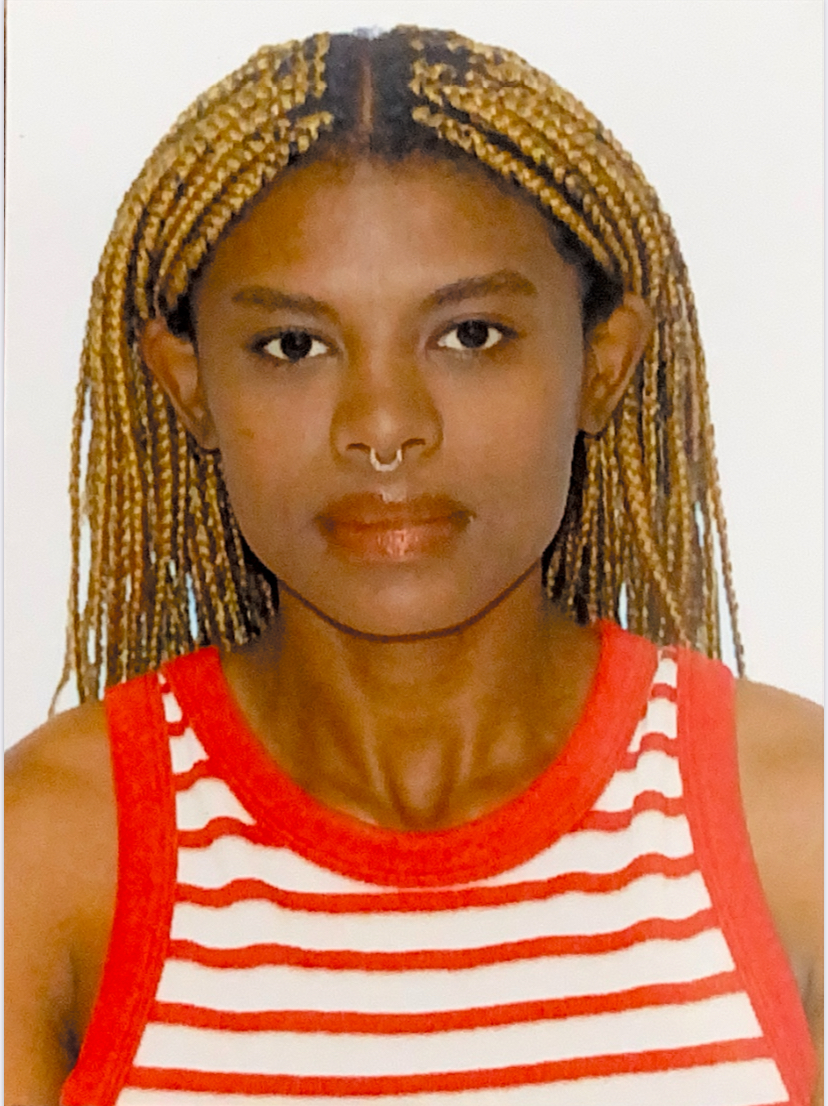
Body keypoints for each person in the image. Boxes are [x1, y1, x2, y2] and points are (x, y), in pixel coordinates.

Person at [4, 26, 821, 1106]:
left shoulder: (792, 822)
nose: (385, 426)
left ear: (602, 365)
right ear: (190, 387)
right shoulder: (53, 852)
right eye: (294, 346)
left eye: (471, 334)